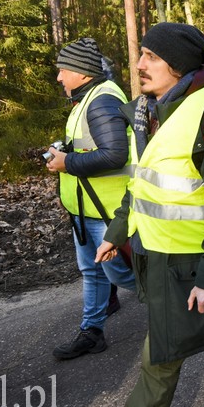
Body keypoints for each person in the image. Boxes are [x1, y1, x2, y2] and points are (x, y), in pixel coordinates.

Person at [94, 23, 204, 407]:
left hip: (192, 263)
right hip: (155, 255)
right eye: (141, 55)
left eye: (151, 56)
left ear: (178, 64)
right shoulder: (148, 112)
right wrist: (118, 231)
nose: (139, 64)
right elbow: (140, 184)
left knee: (161, 355)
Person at [45, 38, 137, 360]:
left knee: (121, 273)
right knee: (94, 272)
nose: (59, 77)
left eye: (63, 70)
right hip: (85, 208)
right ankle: (92, 332)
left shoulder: (101, 100)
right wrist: (65, 151)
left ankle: (176, 305)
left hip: (105, 211)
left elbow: (114, 155)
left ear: (83, 73)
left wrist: (66, 163)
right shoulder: (87, 99)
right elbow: (91, 145)